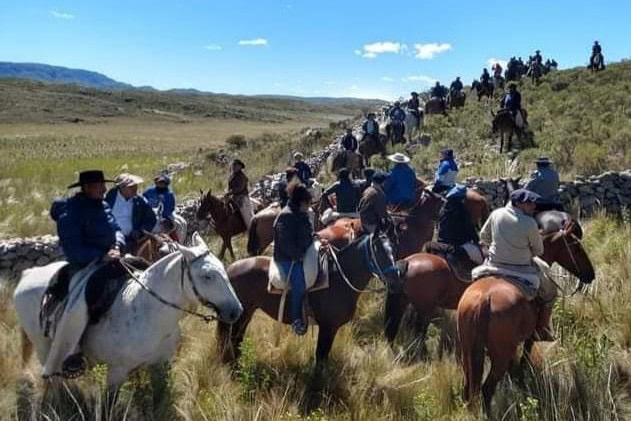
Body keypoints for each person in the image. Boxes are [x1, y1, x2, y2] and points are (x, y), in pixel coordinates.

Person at [45, 170, 126, 378]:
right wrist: (102, 256)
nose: (104, 189)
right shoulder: (70, 212)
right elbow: (73, 249)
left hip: (112, 258)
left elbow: (116, 228)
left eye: (103, 185)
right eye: (100, 186)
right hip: (84, 264)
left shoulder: (103, 205)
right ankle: (72, 351)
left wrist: (117, 244)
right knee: (79, 305)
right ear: (88, 188)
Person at [478, 189, 557, 341]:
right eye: (529, 203)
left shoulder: (496, 214)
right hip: (521, 267)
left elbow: (483, 236)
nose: (533, 206)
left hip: (494, 264)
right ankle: (542, 328)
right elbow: (539, 250)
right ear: (518, 204)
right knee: (550, 292)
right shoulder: (529, 223)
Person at [273, 183, 314, 335]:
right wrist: (298, 255)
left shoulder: (300, 213)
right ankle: (296, 319)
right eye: (307, 204)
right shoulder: (286, 215)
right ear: (300, 202)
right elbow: (284, 243)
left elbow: (307, 232)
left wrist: (316, 238)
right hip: (287, 258)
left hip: (301, 252)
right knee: (299, 284)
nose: (308, 207)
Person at [105, 173, 157, 253]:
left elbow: (151, 218)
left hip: (130, 241)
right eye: (131, 186)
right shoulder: (109, 198)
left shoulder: (139, 201)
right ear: (122, 187)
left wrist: (140, 231)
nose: (135, 188)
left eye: (135, 185)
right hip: (109, 239)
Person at [226, 159, 254, 229]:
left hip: (242, 197)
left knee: (246, 214)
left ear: (240, 167)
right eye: (233, 165)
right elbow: (229, 186)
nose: (233, 167)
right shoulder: (231, 176)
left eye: (235, 165)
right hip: (233, 197)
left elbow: (240, 188)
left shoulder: (242, 176)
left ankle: (251, 228)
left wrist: (230, 192)